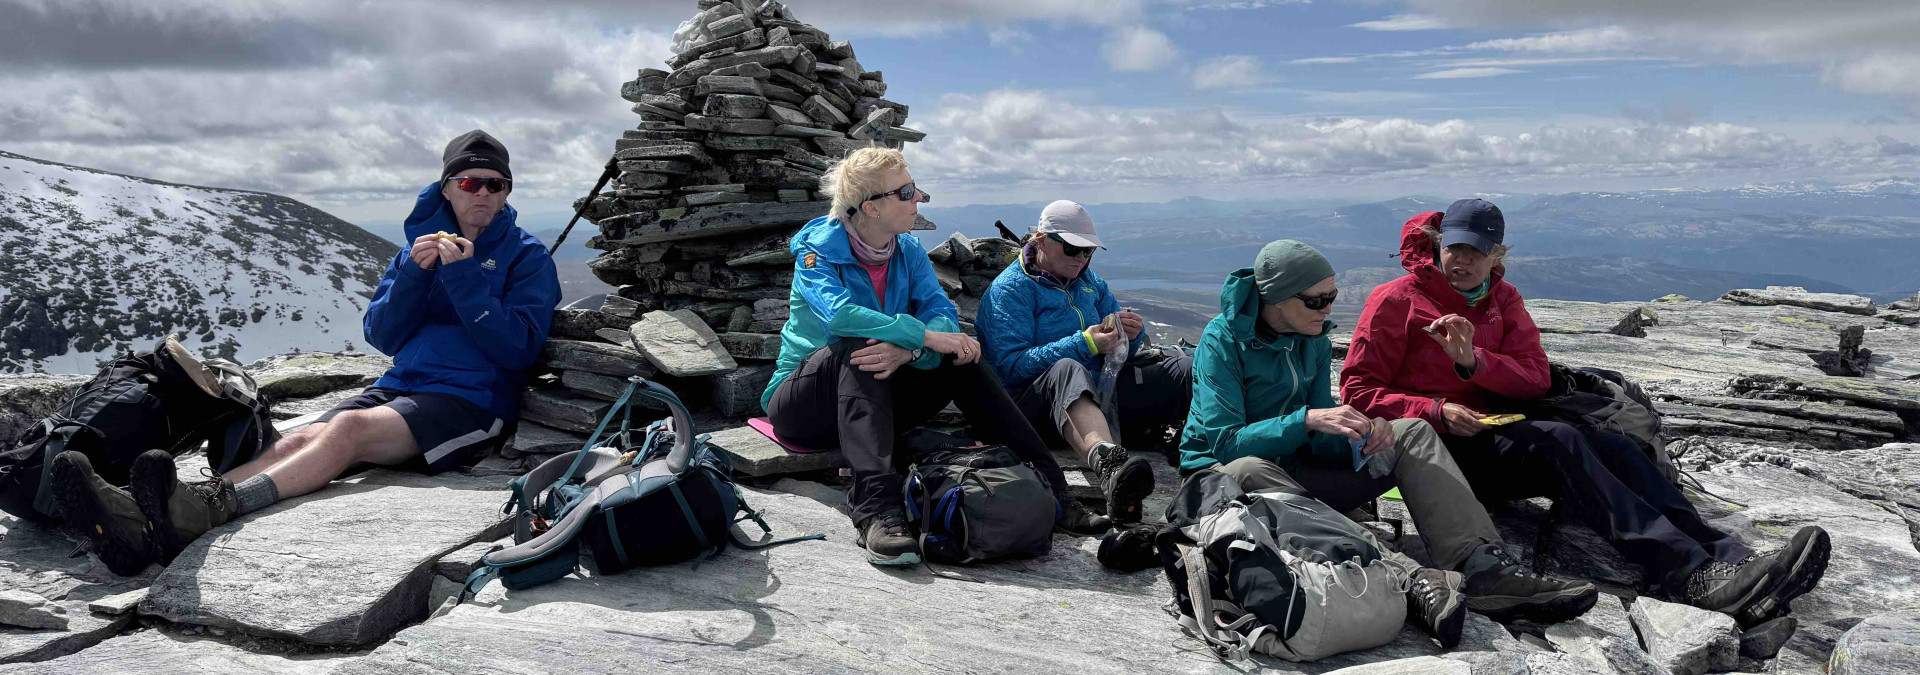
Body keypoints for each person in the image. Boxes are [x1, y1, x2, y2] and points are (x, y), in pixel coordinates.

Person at [52, 130, 561, 575]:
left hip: (472, 402)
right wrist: (413, 274)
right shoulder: (416, 249)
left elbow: (518, 349)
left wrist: (465, 279)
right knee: (305, 435)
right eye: (470, 183)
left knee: (349, 430)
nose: (483, 193)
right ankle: (156, 514)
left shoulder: (527, 256)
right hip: (403, 385)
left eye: (495, 184)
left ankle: (212, 511)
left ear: (507, 191)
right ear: (447, 188)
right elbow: (383, 336)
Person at [1341, 198, 1830, 627]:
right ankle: (1690, 574)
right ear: (1438, 245)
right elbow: (1357, 390)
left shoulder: (1502, 299)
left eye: (1477, 250)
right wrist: (1436, 409)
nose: (1463, 259)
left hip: (1497, 436)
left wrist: (1475, 362)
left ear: (1496, 254)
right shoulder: (1397, 301)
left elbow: (1535, 377)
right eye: (1455, 247)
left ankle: (1731, 559)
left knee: (1612, 444)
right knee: (1561, 440)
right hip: (1438, 459)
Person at [1178, 239, 1599, 638]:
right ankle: (1407, 579)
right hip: (1229, 485)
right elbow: (1225, 443)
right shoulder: (1222, 341)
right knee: (1248, 466)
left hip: (1298, 473)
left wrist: (1361, 433)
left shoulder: (1312, 339)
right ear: (1276, 299)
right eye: (1316, 301)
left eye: (1332, 297)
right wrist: (1307, 420)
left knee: (1410, 430)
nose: (1328, 309)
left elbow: (1320, 434)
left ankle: (1484, 568)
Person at [760, 148, 1110, 568]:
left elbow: (940, 310)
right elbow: (840, 316)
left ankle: (1056, 494)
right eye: (906, 191)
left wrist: (913, 349)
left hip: (877, 401)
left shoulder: (907, 250)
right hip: (805, 407)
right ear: (872, 207)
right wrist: (924, 337)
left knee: (962, 356)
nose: (920, 197)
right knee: (860, 346)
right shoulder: (817, 252)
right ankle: (876, 510)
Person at [976, 200, 1191, 524]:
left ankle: (1205, 454)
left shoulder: (1090, 282)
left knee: (1182, 369)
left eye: (1088, 251)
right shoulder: (1010, 290)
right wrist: (1085, 344)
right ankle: (1110, 466)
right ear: (1041, 240)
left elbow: (1118, 349)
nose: (1081, 258)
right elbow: (1010, 367)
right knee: (1068, 368)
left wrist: (1130, 336)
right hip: (1033, 410)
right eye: (1072, 248)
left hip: (1096, 390)